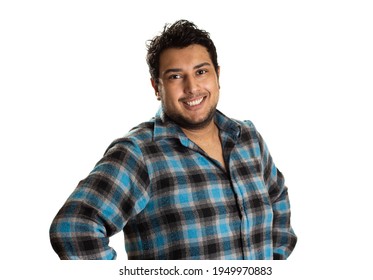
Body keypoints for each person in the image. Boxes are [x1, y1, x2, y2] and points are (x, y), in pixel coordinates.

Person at [49, 19, 297, 260]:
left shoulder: (248, 140)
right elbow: (74, 228)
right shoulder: (139, 153)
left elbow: (277, 198)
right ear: (157, 87)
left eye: (201, 71)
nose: (192, 87)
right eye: (175, 76)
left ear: (217, 75)